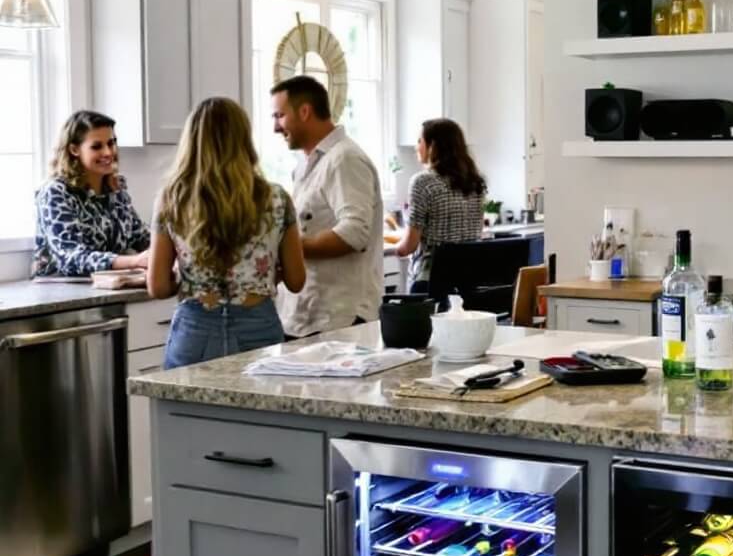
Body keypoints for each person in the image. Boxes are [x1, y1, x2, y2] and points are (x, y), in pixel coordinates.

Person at [148, 97, 305, 368]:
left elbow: (158, 286)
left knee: (186, 411)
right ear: (244, 140)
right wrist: (265, 275)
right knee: (258, 411)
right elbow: (296, 280)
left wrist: (187, 275)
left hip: (194, 329)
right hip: (258, 326)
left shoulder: (172, 199)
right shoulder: (276, 199)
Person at [270, 74, 384, 336]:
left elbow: (354, 234)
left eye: (280, 116)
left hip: (337, 317)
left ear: (305, 111)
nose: (276, 127)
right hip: (308, 314)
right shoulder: (307, 165)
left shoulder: (344, 160)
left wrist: (289, 248)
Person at [33, 110, 150, 277]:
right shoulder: (55, 192)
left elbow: (140, 236)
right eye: (97, 146)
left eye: (111, 143)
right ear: (74, 149)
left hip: (107, 284)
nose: (108, 152)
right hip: (60, 290)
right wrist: (135, 261)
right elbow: (71, 258)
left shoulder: (116, 188)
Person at [393, 117, 486, 285]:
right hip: (470, 280)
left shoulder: (423, 181)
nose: (416, 146)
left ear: (433, 146)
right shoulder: (475, 182)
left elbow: (409, 246)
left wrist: (391, 250)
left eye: (420, 141)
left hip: (430, 281)